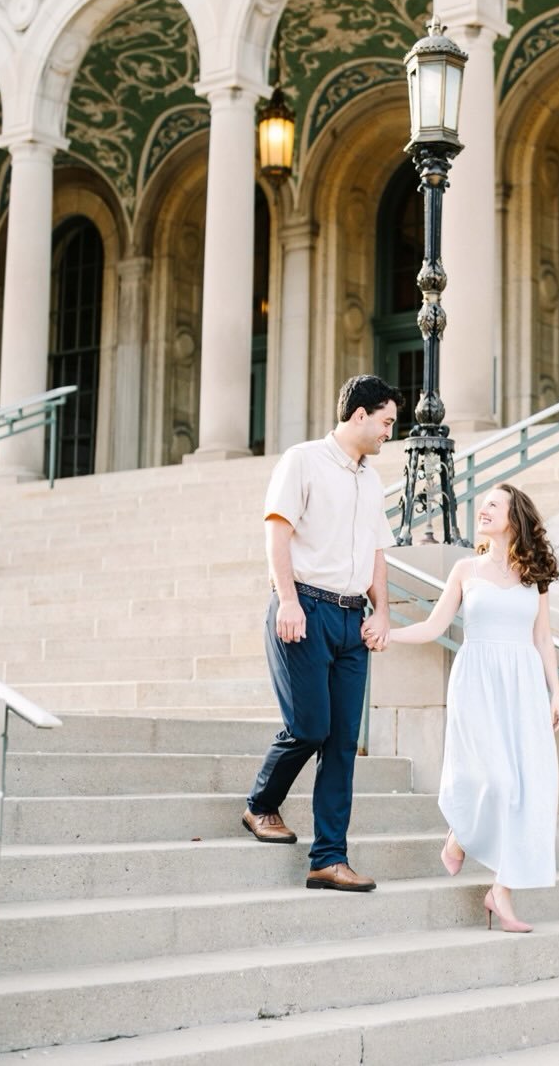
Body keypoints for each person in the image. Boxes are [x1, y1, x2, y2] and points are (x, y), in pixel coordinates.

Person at [374, 482, 559, 932]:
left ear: (514, 516)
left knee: (525, 790)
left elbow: (543, 638)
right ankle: (460, 834)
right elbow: (433, 625)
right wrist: (388, 633)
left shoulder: (533, 575)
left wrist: (555, 692)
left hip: (522, 685)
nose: (483, 511)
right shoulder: (465, 569)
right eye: (481, 506)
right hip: (478, 680)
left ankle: (502, 892)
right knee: (495, 781)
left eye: (493, 505)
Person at [241, 374, 403, 893]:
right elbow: (277, 531)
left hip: (352, 621)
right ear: (360, 414)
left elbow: (378, 551)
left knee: (342, 744)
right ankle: (261, 804)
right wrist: (287, 599)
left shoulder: (371, 480)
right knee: (310, 728)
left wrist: (382, 611)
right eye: (386, 421)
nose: (389, 433)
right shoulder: (302, 460)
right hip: (304, 608)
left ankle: (329, 858)